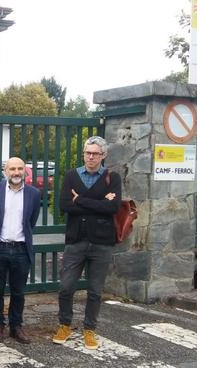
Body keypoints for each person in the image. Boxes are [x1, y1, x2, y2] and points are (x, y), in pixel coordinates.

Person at [52, 136, 121, 350]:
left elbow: (113, 208)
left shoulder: (113, 177)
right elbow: (64, 205)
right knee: (66, 287)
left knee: (95, 291)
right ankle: (65, 324)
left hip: (102, 242)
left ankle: (89, 329)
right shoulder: (72, 176)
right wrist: (98, 203)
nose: (90, 157)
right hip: (76, 240)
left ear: (103, 155)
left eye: (95, 153)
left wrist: (79, 200)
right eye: (87, 153)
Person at [0, 157, 41, 343]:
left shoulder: (33, 193)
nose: (16, 172)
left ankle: (16, 326)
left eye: (20, 169)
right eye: (12, 168)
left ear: (25, 171)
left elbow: (31, 221)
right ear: (5, 171)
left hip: (21, 249)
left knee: (18, 292)